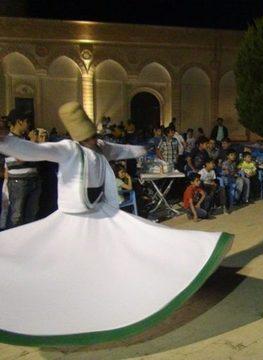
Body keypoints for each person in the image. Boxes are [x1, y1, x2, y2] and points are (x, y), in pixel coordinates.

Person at [0, 102, 233, 346]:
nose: (94, 141)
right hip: (72, 220)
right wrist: (7, 143)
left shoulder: (100, 147)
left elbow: (123, 150)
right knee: (56, 261)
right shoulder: (68, 149)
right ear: (81, 136)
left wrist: (143, 149)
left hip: (99, 215)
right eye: (89, 137)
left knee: (139, 240)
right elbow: (35, 151)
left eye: (94, 136)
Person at [4, 109, 41, 228]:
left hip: (33, 180)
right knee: (17, 217)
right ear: (19, 122)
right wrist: (33, 143)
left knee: (32, 216)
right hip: (19, 182)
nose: (29, 124)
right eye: (27, 121)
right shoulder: (8, 139)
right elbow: (21, 158)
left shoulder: (24, 139)